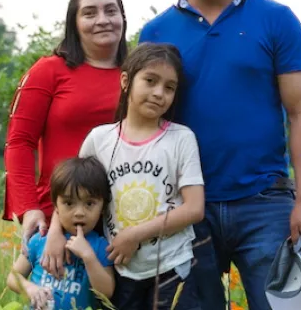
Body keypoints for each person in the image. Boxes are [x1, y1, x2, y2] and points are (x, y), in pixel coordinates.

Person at [137, 0, 301, 309]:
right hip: (185, 208)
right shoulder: (155, 33)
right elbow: (145, 122)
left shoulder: (277, 20)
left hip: (265, 203)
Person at [47, 42, 205, 309]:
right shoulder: (100, 140)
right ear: (126, 81)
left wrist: (134, 235)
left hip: (171, 266)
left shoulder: (181, 139)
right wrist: (54, 232)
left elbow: (194, 208)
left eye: (169, 87)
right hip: (118, 269)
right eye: (150, 81)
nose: (159, 93)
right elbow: (70, 191)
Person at [2, 0, 128, 266]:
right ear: (74, 23)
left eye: (111, 11)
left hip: (121, 217)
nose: (102, 20)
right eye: (89, 13)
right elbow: (19, 143)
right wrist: (28, 209)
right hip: (59, 216)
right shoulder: (48, 70)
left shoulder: (137, 74)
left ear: (123, 18)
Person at [6, 157, 115, 310]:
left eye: (89, 203)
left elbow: (107, 292)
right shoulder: (40, 240)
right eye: (69, 203)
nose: (79, 213)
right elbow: (13, 277)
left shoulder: (100, 246)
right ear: (55, 205)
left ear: (103, 207)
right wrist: (30, 289)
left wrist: (88, 257)